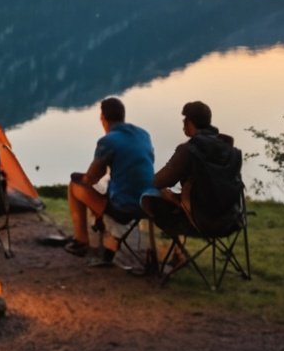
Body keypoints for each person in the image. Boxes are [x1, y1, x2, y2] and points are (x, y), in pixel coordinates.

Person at [61, 97, 155, 264]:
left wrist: (79, 177)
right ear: (123, 116)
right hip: (148, 203)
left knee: (75, 186)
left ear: (103, 119)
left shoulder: (108, 141)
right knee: (106, 187)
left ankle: (81, 241)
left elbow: (91, 178)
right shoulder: (143, 135)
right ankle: (102, 235)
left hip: (124, 207)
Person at [142, 99, 243, 239]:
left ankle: (172, 246)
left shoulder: (189, 150)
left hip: (201, 223)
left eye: (184, 121)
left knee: (150, 198)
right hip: (230, 221)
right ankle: (176, 252)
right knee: (175, 197)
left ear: (189, 123)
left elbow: (160, 181)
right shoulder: (230, 150)